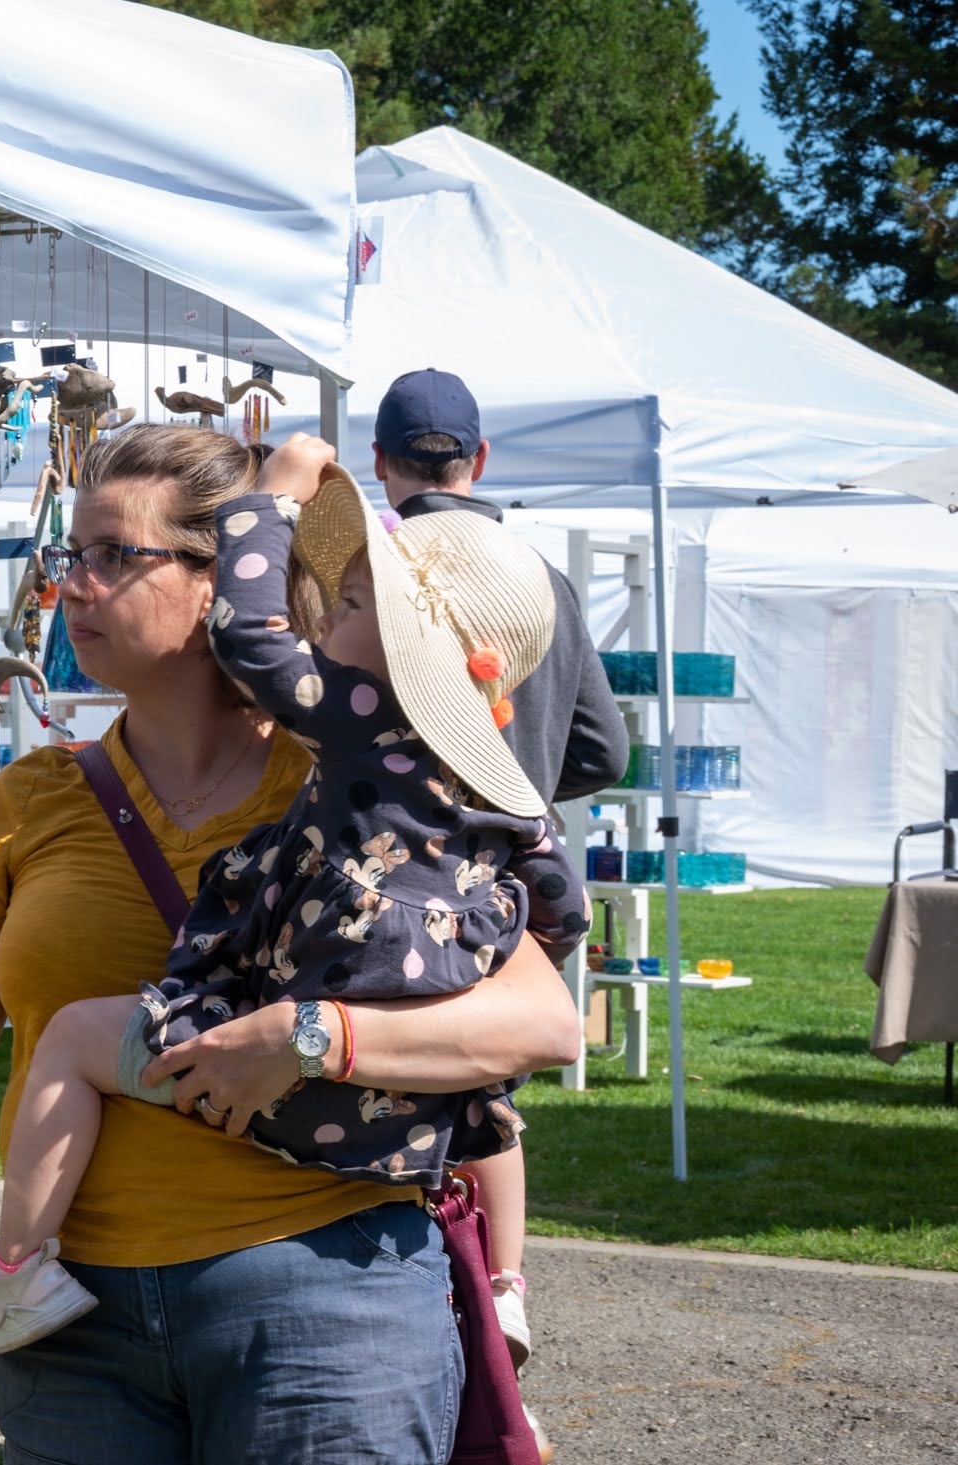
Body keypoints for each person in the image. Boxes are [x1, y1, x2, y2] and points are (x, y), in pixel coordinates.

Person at [0, 424, 583, 1462]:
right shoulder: (31, 799)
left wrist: (306, 1037)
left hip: (322, 1305)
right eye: (69, 556)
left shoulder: (346, 785)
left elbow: (538, 1019)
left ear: (220, 582)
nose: (70, 587)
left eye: (114, 557)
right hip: (70, 1336)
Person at [0, 463, 588, 1359]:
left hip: (260, 1073)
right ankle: (507, 1280)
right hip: (391, 1118)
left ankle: (16, 1270)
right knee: (494, 1103)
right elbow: (559, 904)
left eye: (356, 604)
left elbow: (252, 632)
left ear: (415, 652)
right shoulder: (495, 786)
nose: (327, 619)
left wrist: (271, 501)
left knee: (72, 1039)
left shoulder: (364, 722)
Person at [372, 367, 628, 1381]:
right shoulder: (538, 578)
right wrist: (514, 777)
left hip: (397, 871)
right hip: (521, 878)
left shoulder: (381, 570)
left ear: (381, 466)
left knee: (392, 1089)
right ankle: (498, 1287)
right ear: (478, 461)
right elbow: (604, 750)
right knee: (479, 1082)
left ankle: (440, 1314)